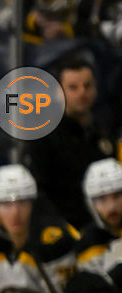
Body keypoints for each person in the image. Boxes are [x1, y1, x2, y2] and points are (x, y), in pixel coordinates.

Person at [26, 56, 118, 229]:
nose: (82, 93)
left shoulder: (105, 131)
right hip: (66, 233)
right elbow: (38, 194)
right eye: (73, 87)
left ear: (96, 89)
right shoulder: (44, 137)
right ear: (59, 92)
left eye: (87, 86)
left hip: (109, 226)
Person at [0, 164, 81, 293]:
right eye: (6, 204)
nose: (15, 212)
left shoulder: (56, 242)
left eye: (22, 202)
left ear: (33, 205)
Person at [73, 157, 122, 290]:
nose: (111, 207)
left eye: (117, 196)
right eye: (102, 199)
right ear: (91, 204)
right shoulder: (88, 241)